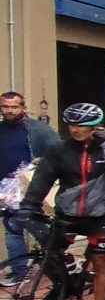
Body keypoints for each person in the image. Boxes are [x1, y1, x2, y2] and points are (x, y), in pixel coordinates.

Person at [17, 104, 105, 300]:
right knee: (50, 253)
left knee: (101, 261)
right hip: (68, 213)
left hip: (100, 216)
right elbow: (43, 178)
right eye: (72, 124)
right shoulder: (59, 150)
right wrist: (30, 204)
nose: (76, 130)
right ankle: (64, 285)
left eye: (82, 125)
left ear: (95, 127)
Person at [1, 91, 59, 281]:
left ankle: (59, 271)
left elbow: (58, 153)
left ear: (23, 108)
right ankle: (20, 272)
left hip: (34, 188)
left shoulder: (39, 130)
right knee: (12, 229)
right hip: (6, 191)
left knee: (41, 232)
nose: (9, 110)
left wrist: (40, 164)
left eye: (14, 107)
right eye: (5, 106)